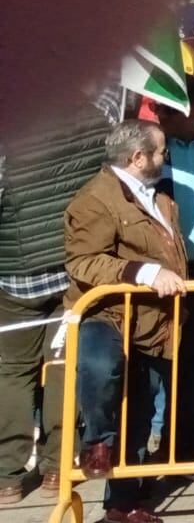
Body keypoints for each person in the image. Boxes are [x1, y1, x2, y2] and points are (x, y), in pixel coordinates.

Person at [64, 121, 187, 523]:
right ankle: (97, 442)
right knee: (101, 369)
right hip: (106, 313)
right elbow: (83, 261)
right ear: (138, 158)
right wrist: (145, 273)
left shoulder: (162, 198)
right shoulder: (94, 200)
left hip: (152, 322)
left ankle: (123, 504)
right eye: (160, 150)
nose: (164, 157)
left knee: (142, 405)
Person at [0, 105, 103, 504]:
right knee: (63, 368)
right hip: (70, 269)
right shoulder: (92, 119)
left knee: (12, 373)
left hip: (14, 272)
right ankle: (57, 467)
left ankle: (7, 475)